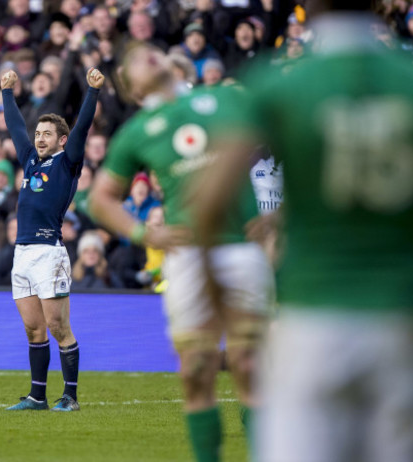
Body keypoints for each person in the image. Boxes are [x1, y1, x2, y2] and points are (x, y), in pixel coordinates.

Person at [191, 1, 413, 461]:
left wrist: (216, 297)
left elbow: (208, 201)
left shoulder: (279, 81)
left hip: (312, 315)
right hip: (405, 315)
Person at [89, 42, 274, 462]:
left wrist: (280, 210)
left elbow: (288, 135)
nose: (144, 56)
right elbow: (100, 199)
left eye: (146, 51)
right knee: (195, 370)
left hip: (242, 246)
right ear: (134, 91)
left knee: (248, 362)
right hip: (187, 255)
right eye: (132, 61)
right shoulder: (136, 131)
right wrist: (143, 233)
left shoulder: (226, 96)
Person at [0, 66, 104, 411]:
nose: (39, 138)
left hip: (49, 253)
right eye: (38, 133)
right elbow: (16, 127)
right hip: (22, 253)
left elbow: (83, 129)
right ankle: (37, 397)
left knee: (58, 326)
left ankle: (70, 397)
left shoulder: (67, 162)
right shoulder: (30, 161)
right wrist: (7, 93)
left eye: (47, 134)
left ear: (61, 139)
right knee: (34, 330)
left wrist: (92, 92)